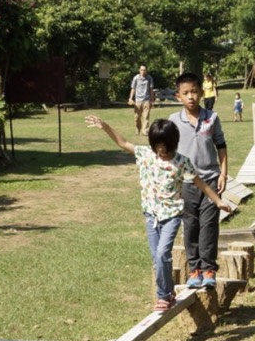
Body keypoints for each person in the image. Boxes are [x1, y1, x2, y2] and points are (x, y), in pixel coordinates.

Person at [85, 115, 231, 311]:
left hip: (171, 216)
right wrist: (105, 126)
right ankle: (168, 293)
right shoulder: (146, 154)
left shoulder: (181, 162)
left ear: (173, 143)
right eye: (157, 145)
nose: (161, 150)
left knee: (163, 253)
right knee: (158, 259)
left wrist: (218, 201)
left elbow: (201, 184)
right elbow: (123, 143)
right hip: (151, 216)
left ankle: (162, 296)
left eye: (165, 146)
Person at [172, 72, 229, 289]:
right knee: (190, 226)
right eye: (185, 93)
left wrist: (223, 173)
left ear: (202, 93)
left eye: (194, 92)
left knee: (209, 225)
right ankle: (194, 269)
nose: (191, 97)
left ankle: (208, 269)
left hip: (211, 181)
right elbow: (168, 152)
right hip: (186, 183)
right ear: (178, 96)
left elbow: (221, 146)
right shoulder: (174, 121)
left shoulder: (211, 118)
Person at [128, 65, 155, 135]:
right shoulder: (136, 78)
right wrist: (130, 98)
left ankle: (145, 131)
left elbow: (151, 89)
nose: (143, 71)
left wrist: (152, 100)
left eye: (144, 70)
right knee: (137, 117)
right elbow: (133, 88)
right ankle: (138, 129)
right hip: (138, 101)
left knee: (146, 117)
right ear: (139, 70)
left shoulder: (149, 78)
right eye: (142, 70)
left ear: (146, 71)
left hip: (146, 100)